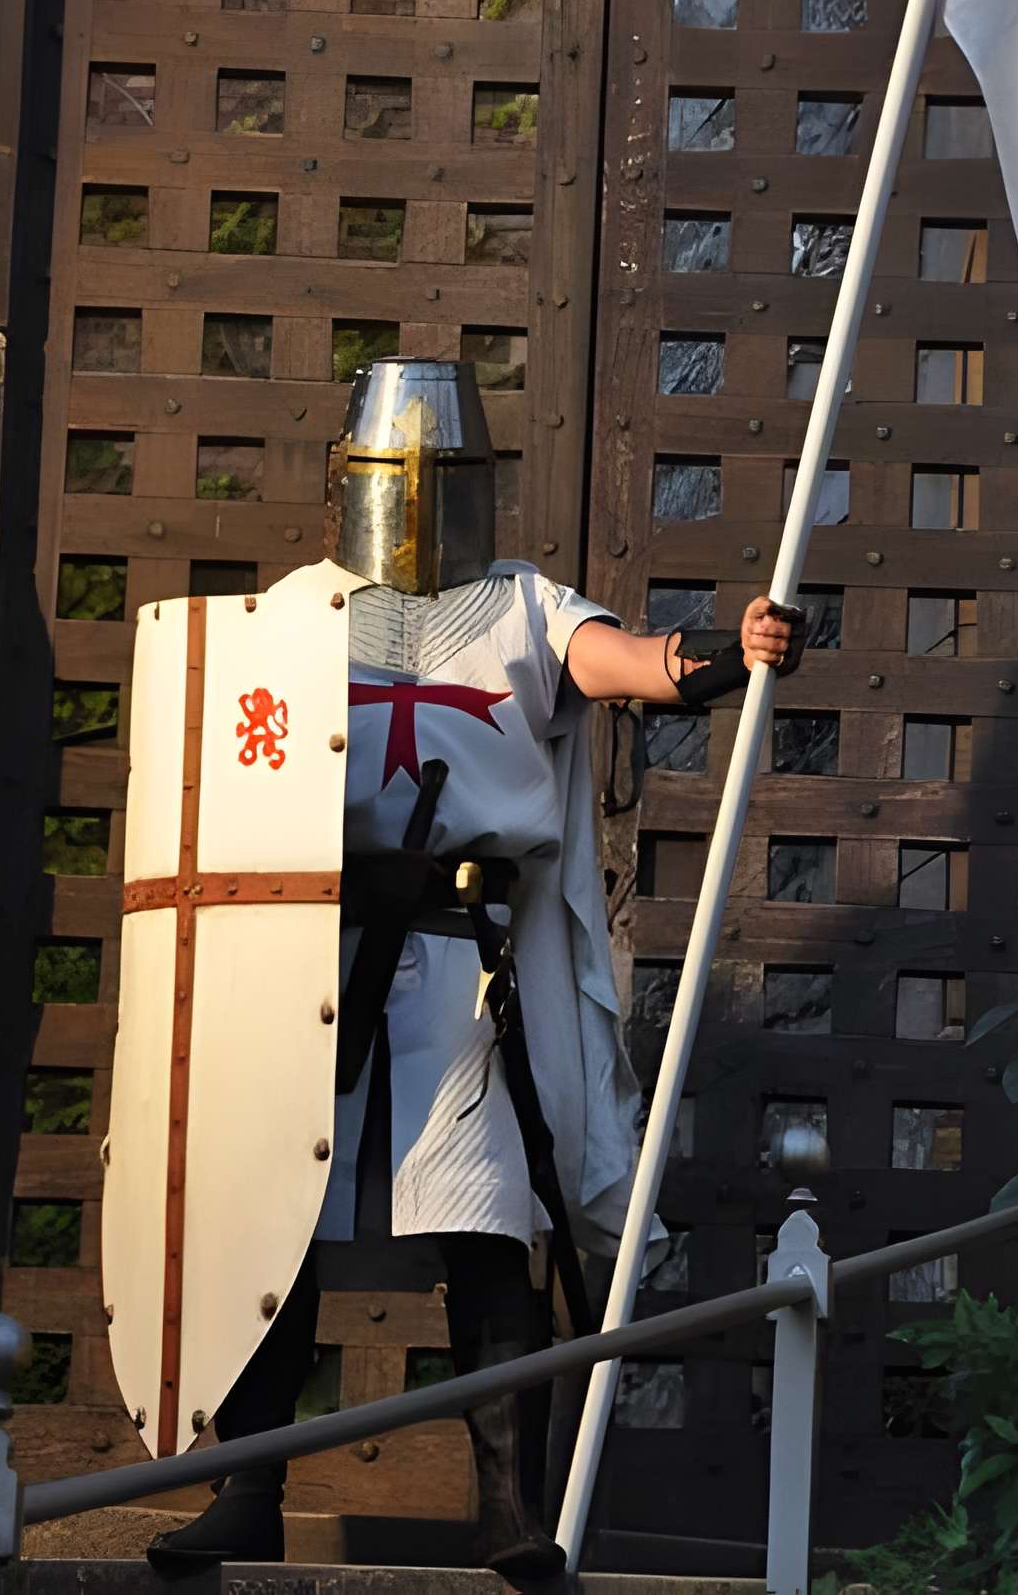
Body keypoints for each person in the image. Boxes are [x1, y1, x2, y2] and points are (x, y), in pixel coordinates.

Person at [147, 359, 801, 1582]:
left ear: (476, 486)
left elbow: (634, 662)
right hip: (310, 958)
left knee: (487, 1226)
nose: (414, 496)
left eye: (439, 474)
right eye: (396, 474)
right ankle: (246, 1492)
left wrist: (730, 647)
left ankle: (507, 1513)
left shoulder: (522, 607)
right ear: (350, 482)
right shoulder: (289, 618)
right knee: (268, 1226)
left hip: (457, 973)